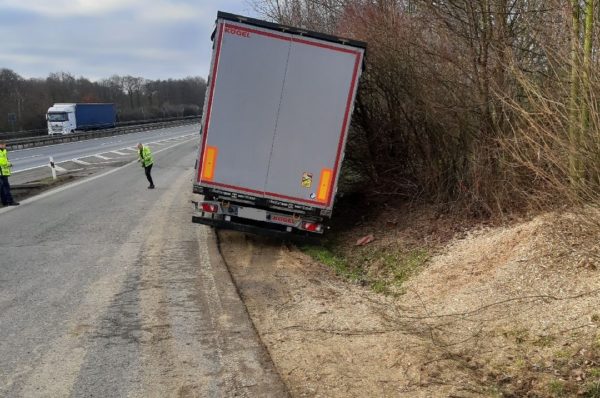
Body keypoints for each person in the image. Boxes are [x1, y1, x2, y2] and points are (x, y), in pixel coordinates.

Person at [0, 141, 19, 206]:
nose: (5, 146)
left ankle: (5, 202)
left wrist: (8, 163)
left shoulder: (4, 151)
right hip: (1, 172)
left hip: (4, 172)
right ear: (1, 145)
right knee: (5, 187)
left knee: (4, 188)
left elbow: (5, 159)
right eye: (4, 145)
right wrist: (9, 164)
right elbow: (2, 162)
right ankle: (9, 201)